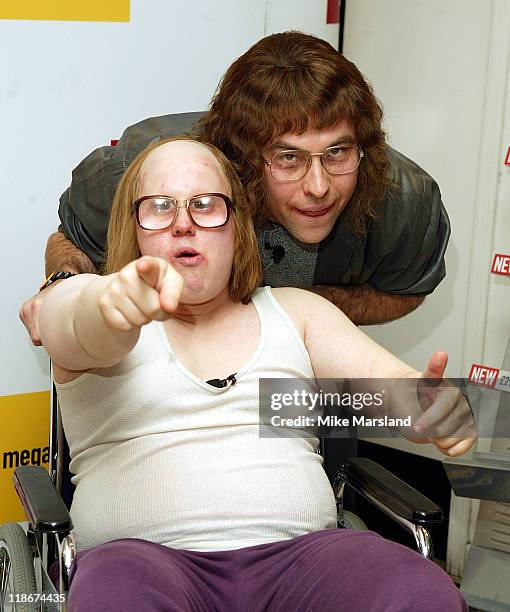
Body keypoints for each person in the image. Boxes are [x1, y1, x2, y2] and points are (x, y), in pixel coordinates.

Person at [39, 136, 471, 611]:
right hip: (143, 566)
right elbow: (69, 321)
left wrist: (433, 410)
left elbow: (390, 392)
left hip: (303, 563)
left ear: (236, 225)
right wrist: (111, 304)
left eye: (205, 205)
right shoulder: (99, 308)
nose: (184, 224)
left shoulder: (295, 313)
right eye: (160, 207)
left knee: (422, 592)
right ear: (134, 227)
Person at [22, 31, 449, 344]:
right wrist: (62, 288)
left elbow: (402, 292)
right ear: (242, 158)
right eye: (289, 158)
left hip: (286, 391)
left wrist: (296, 311)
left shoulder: (404, 198)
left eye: (337, 153)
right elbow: (68, 241)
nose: (319, 187)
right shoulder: (148, 171)